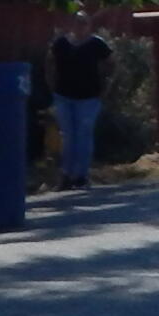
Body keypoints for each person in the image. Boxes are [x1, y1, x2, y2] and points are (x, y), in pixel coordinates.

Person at [48, 11, 113, 192]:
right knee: (68, 136)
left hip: (89, 97)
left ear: (89, 25)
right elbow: (50, 63)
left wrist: (105, 87)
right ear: (71, 24)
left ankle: (81, 175)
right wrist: (51, 85)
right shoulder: (61, 43)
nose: (80, 26)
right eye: (77, 22)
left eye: (84, 22)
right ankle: (66, 175)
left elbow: (111, 64)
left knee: (84, 135)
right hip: (64, 95)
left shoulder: (96, 44)